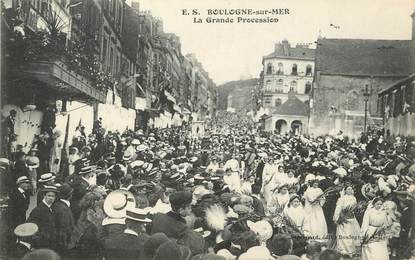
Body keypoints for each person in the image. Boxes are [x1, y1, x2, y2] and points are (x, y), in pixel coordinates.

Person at [27, 185, 59, 250]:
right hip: (42, 243)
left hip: (49, 241)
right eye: (49, 195)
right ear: (44, 196)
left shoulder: (51, 207)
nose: (51, 198)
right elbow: (31, 226)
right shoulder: (38, 210)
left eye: (53, 196)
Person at [332, 185, 360, 257]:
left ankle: (351, 250)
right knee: (344, 234)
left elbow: (354, 208)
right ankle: (343, 250)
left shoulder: (354, 198)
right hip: (344, 218)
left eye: (351, 189)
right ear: (345, 190)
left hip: (351, 218)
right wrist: (337, 218)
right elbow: (338, 208)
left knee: (351, 234)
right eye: (348, 189)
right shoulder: (342, 199)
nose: (350, 191)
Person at [52, 184, 75, 256]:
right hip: (64, 246)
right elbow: (64, 230)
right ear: (70, 195)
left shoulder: (57, 205)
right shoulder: (64, 209)